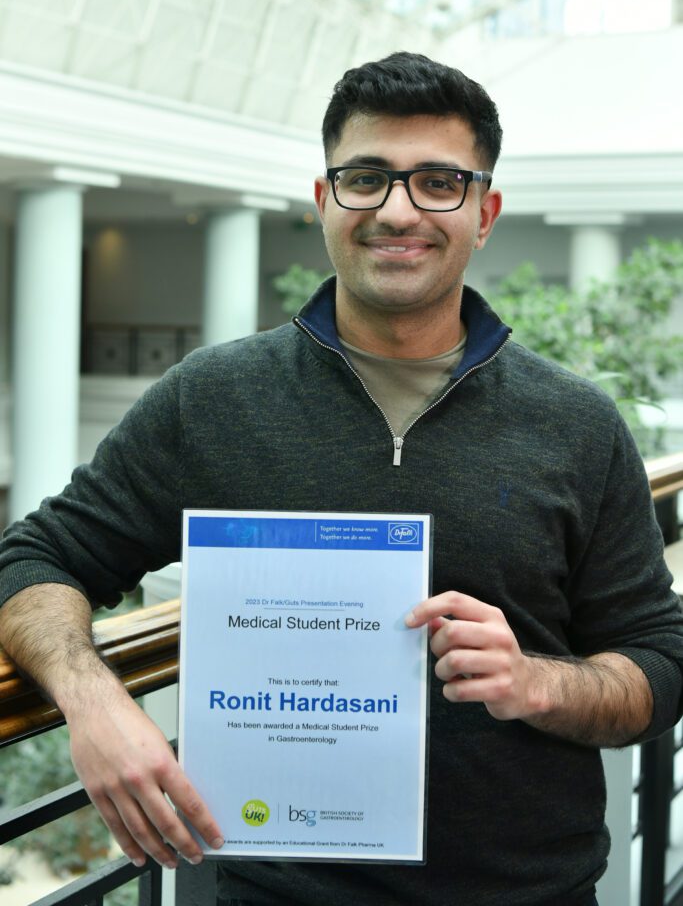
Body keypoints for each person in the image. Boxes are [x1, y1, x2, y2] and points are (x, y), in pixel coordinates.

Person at [0, 51, 682, 906]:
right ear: (325, 201)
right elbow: (34, 561)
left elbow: (659, 664)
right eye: (366, 177)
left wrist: (539, 682)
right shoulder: (211, 400)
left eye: (438, 181)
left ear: (484, 212)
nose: (397, 209)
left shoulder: (576, 424)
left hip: (525, 893)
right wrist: (93, 705)